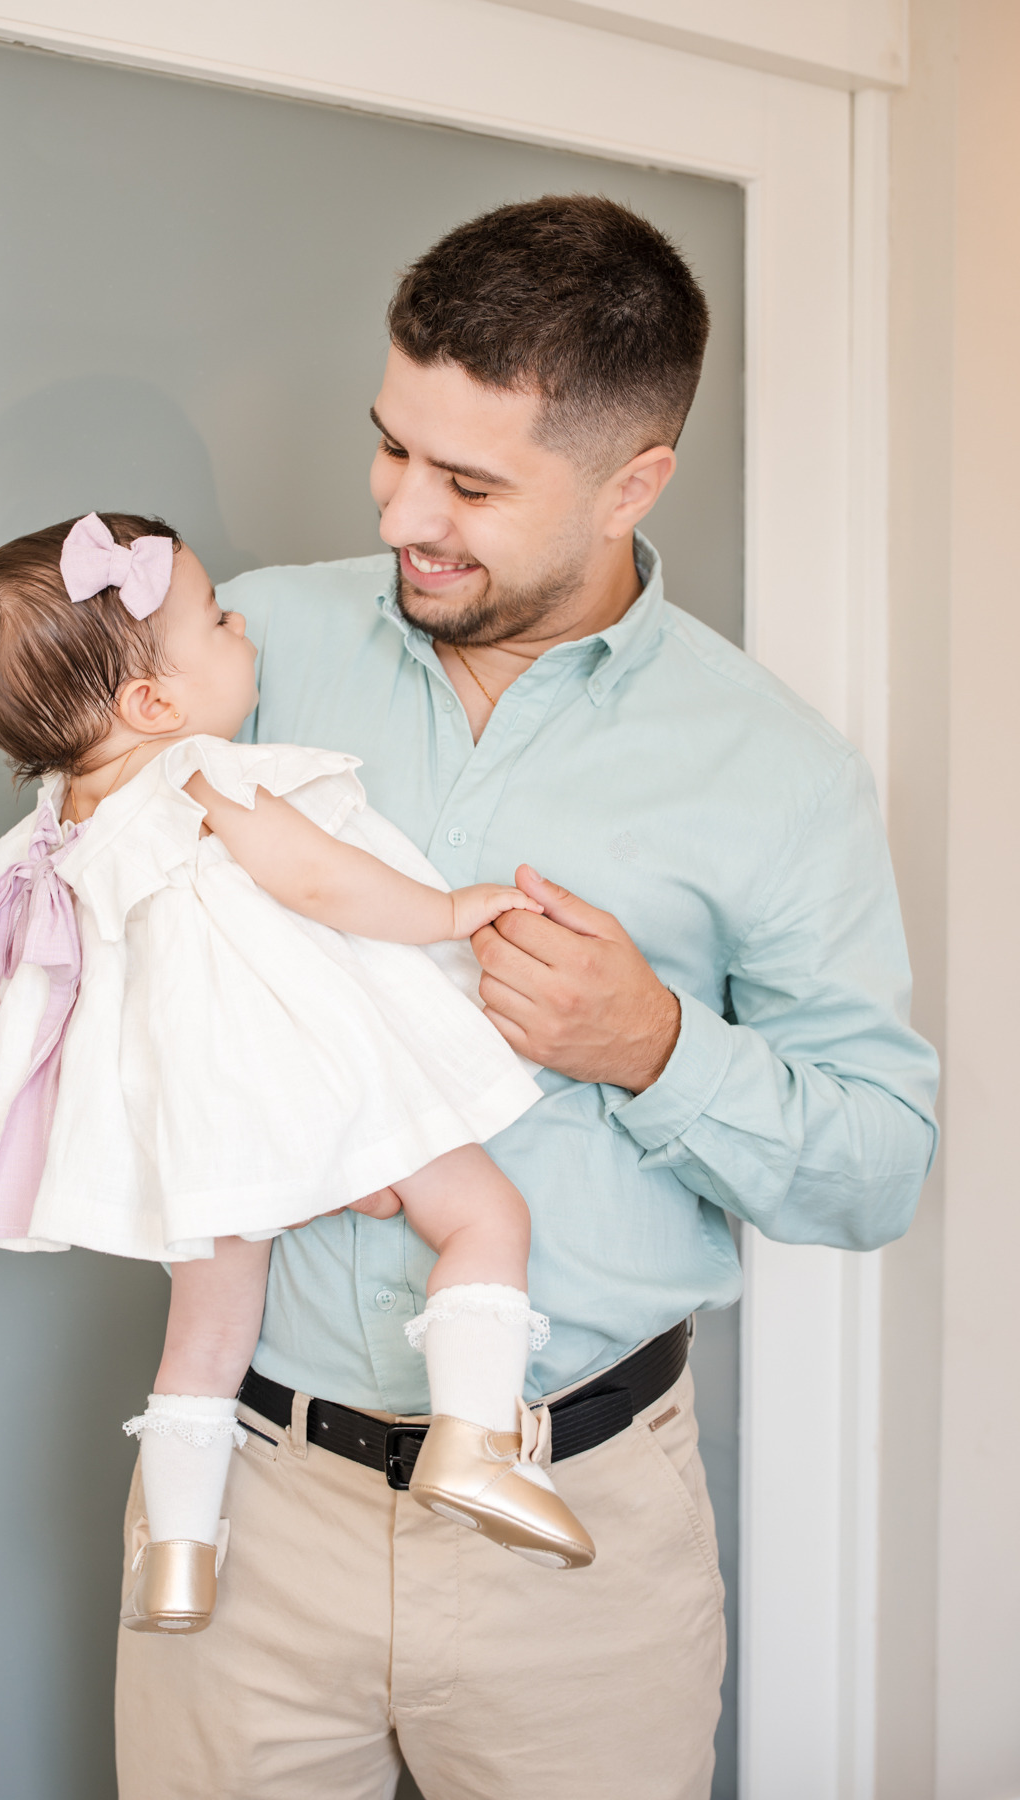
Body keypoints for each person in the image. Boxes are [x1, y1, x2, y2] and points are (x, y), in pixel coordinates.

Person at [103, 195, 938, 1799]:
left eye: (470, 483)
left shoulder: (780, 775)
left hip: (586, 1546)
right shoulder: (245, 642)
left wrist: (655, 1048)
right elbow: (97, 931)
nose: (400, 507)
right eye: (391, 444)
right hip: (248, 1504)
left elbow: (877, 1166)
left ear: (634, 484)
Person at [0, 507, 602, 1631]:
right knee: (483, 1219)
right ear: (156, 708)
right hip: (301, 1074)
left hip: (189, 1124)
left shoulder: (54, 835)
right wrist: (450, 909)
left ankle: (176, 1556)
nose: (244, 625)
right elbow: (320, 879)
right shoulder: (200, 778)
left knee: (206, 1337)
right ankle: (478, 1439)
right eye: (219, 620)